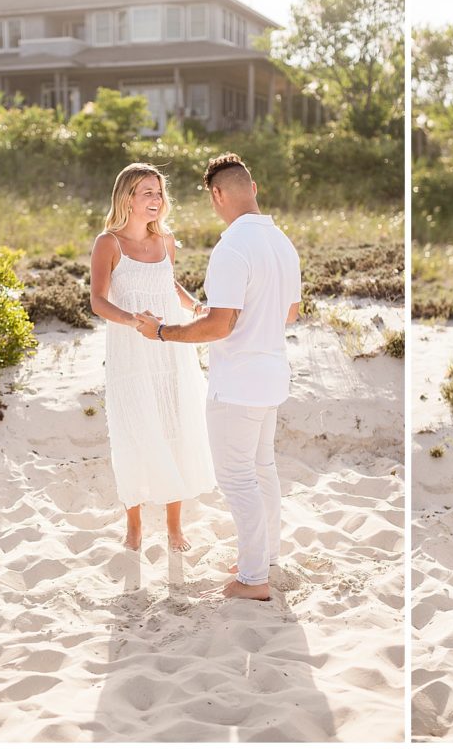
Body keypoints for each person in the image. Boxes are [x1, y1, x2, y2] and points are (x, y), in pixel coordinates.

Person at [135, 153, 302, 602]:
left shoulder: (231, 247)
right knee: (262, 470)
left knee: (237, 479)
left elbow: (221, 326)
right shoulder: (282, 242)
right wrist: (234, 314)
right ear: (254, 188)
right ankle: (264, 558)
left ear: (216, 195)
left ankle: (253, 579)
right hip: (272, 377)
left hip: (239, 383)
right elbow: (289, 311)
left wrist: (163, 332)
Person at [89, 162, 217, 553]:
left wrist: (194, 306)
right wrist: (133, 321)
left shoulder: (167, 241)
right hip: (130, 352)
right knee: (134, 433)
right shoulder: (107, 243)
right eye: (147, 192)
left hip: (169, 350)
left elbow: (167, 282)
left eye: (159, 193)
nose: (156, 200)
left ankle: (175, 527)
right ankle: (134, 527)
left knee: (173, 428)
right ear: (127, 197)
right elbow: (97, 301)